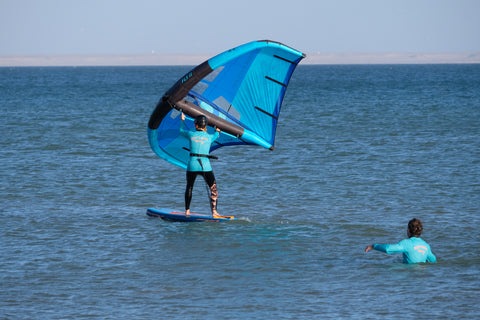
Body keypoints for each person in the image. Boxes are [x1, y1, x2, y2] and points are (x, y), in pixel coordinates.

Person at [180, 112, 221, 217]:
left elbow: (181, 131)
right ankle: (214, 212)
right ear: (206, 126)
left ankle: (187, 211)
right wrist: (217, 130)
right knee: (213, 188)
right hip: (205, 166)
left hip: (192, 165)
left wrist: (182, 120)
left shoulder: (190, 134)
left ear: (196, 125)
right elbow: (217, 133)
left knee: (189, 187)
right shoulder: (210, 137)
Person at [365, 218, 436, 264]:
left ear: (408, 230)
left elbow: (388, 249)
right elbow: (433, 260)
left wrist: (373, 246)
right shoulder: (426, 245)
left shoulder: (406, 243)